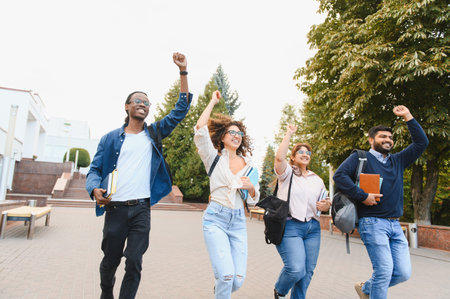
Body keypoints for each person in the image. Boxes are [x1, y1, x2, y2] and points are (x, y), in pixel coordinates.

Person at [85, 52, 192, 299]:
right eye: (137, 100)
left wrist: (183, 71)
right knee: (110, 261)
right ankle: (106, 292)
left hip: (141, 209)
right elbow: (94, 170)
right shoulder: (110, 138)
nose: (143, 104)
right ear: (127, 106)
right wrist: (94, 189)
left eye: (146, 102)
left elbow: (181, 108)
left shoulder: (153, 134)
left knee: (134, 260)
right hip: (115, 209)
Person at [333, 105, 428, 299]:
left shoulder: (398, 161)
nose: (388, 140)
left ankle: (366, 288)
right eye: (382, 137)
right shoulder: (361, 157)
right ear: (371, 140)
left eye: (390, 137)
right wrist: (362, 196)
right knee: (384, 271)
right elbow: (340, 176)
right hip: (372, 222)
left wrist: (408, 116)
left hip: (395, 224)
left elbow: (421, 143)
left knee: (402, 273)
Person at [194, 90, 260, 299]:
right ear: (222, 136)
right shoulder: (212, 158)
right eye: (232, 132)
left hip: (238, 222)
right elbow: (200, 128)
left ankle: (220, 291)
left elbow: (253, 198)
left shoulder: (249, 167)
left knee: (236, 280)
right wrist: (213, 101)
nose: (236, 136)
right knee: (225, 276)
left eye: (240, 134)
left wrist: (250, 188)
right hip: (216, 219)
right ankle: (222, 288)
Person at [272, 124, 331, 299]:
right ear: (293, 156)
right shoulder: (287, 174)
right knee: (296, 269)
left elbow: (324, 201)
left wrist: (325, 205)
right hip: (290, 226)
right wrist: (289, 133)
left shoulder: (317, 179)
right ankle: (280, 291)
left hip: (312, 228)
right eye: (301, 152)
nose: (305, 154)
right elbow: (279, 157)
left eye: (308, 153)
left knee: (307, 272)